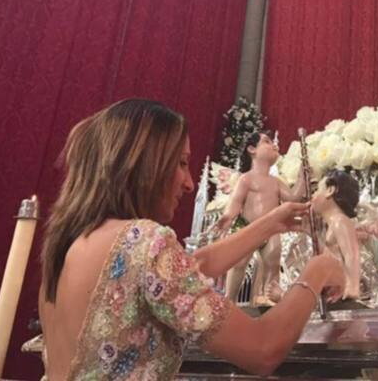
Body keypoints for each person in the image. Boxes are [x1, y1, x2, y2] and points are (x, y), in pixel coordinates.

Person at [39, 99, 344, 380]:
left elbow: (185, 269)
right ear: (143, 163)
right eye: (181, 163)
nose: (188, 183)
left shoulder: (69, 248)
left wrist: (266, 225)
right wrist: (318, 270)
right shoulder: (144, 241)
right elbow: (262, 350)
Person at [214, 131, 306, 306]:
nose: (274, 146)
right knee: (239, 264)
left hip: (270, 230)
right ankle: (230, 300)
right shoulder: (246, 179)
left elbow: (293, 198)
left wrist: (302, 176)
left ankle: (270, 297)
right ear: (252, 149)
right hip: (247, 227)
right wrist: (228, 216)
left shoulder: (276, 182)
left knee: (273, 260)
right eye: (267, 142)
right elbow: (236, 201)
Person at [311, 169, 361, 300]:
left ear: (330, 190)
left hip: (344, 290)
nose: (313, 196)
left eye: (317, 190)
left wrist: (352, 287)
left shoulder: (340, 221)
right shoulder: (332, 224)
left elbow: (351, 254)